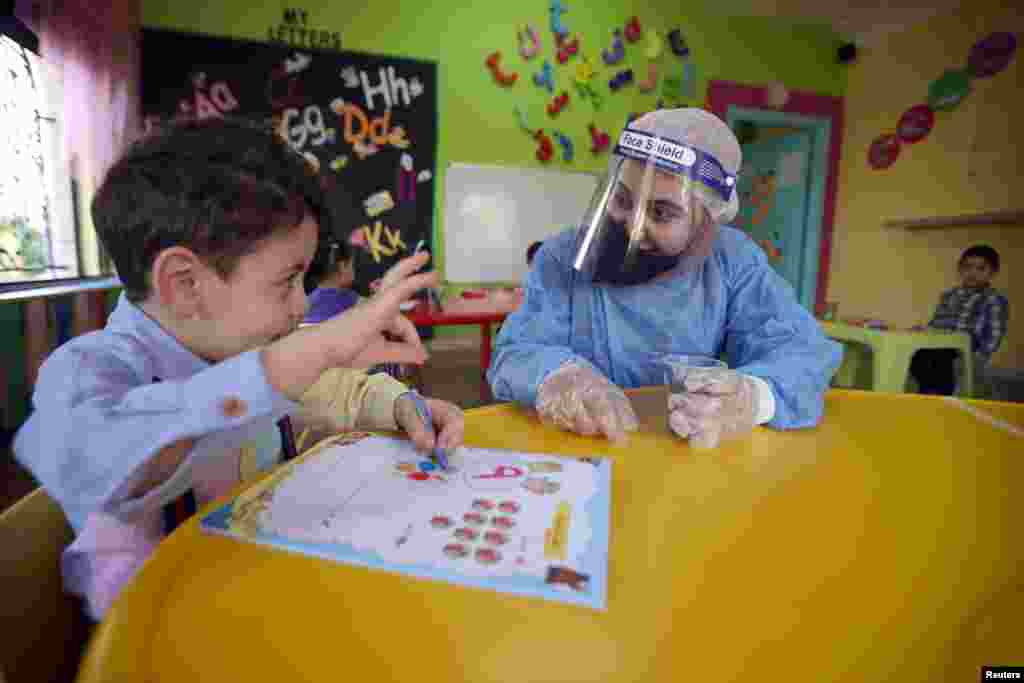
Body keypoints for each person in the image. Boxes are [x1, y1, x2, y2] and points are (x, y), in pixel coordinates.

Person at [12, 117, 465, 620]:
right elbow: (88, 454)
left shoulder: (237, 343)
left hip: (273, 596)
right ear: (185, 284)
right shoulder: (88, 372)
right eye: (288, 281)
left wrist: (398, 403)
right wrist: (299, 358)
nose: (301, 306)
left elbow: (327, 389)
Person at [488, 108, 842, 447]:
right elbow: (518, 351)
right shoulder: (562, 256)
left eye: (661, 212)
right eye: (622, 199)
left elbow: (802, 355)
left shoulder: (734, 263)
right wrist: (557, 375)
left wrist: (751, 398)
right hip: (584, 453)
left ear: (708, 221)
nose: (631, 226)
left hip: (694, 460)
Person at [910, 245, 1009, 395]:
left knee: (939, 359)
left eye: (981, 269)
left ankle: (942, 394)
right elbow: (937, 322)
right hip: (940, 342)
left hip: (967, 347)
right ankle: (931, 392)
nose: (972, 273)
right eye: (967, 267)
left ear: (992, 273)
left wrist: (979, 358)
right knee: (918, 355)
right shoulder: (949, 295)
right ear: (960, 270)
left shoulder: (993, 299)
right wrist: (924, 331)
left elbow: (994, 334)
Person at [302, 237, 360, 324]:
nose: (354, 269)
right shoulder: (359, 304)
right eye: (351, 264)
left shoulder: (300, 310)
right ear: (343, 266)